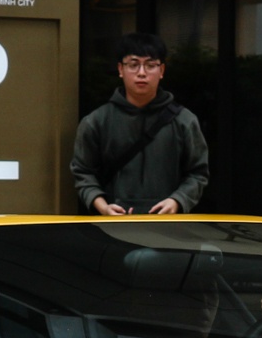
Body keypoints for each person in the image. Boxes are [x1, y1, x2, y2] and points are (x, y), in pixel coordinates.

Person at [71, 31, 209, 216]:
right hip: (114, 226)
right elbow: (82, 172)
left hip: (169, 226)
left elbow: (198, 173)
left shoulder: (184, 121)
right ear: (120, 69)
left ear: (161, 71)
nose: (141, 73)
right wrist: (102, 206)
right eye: (133, 65)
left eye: (150, 65)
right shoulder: (96, 121)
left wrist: (178, 200)